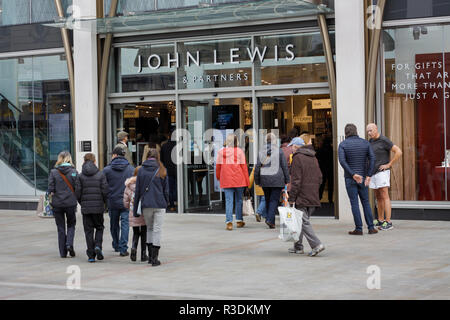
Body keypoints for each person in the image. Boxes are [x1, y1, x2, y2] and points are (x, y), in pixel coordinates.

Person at [338, 124, 378, 235]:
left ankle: (359, 229)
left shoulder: (343, 144)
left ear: (346, 133)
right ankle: (371, 227)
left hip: (350, 179)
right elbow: (373, 158)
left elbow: (342, 161)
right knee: (366, 202)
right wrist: (369, 175)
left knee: (354, 203)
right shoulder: (365, 143)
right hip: (364, 177)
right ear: (356, 131)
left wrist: (352, 174)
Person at [288, 138, 325, 256]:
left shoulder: (297, 158)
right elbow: (320, 177)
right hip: (312, 194)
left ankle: (316, 244)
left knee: (303, 222)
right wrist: (314, 189)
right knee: (301, 221)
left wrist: (292, 197)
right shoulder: (313, 157)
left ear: (297, 147)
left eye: (292, 146)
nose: (291, 149)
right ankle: (298, 246)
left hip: (301, 195)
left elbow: (296, 181)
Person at [134, 145, 169, 266]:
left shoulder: (141, 170)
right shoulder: (162, 169)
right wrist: (167, 202)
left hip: (146, 204)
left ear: (147, 157)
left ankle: (150, 257)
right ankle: (155, 258)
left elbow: (137, 190)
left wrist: (135, 210)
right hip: (159, 204)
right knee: (157, 230)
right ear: (157, 157)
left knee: (149, 228)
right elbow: (166, 190)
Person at [367, 123, 403, 231]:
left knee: (384, 195)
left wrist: (389, 164)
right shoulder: (370, 141)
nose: (369, 133)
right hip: (373, 173)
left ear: (376, 129)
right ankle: (380, 219)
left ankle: (388, 222)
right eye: (367, 131)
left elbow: (399, 152)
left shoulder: (384, 140)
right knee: (378, 196)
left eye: (370, 130)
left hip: (382, 172)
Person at [75, 153, 109, 263]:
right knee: (99, 227)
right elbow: (105, 191)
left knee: (88, 231)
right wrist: (104, 203)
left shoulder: (80, 176)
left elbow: (78, 193)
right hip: (98, 207)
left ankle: (91, 255)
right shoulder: (100, 175)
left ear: (84, 161)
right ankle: (98, 245)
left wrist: (82, 203)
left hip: (86, 208)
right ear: (94, 161)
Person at [103, 147, 135, 256]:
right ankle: (123, 248)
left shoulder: (106, 170)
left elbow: (103, 186)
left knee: (114, 224)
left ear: (115, 155)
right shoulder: (131, 169)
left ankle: (116, 244)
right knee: (125, 224)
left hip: (112, 201)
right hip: (126, 201)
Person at [254, 133, 290, 229]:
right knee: (274, 200)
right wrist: (287, 179)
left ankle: (271, 221)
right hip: (277, 179)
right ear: (275, 141)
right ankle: (270, 220)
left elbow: (257, 167)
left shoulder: (261, 152)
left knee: (268, 199)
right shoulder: (279, 151)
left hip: (265, 179)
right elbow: (284, 166)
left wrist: (257, 180)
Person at [48, 151, 78, 258]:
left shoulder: (53, 172)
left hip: (57, 204)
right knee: (71, 225)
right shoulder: (74, 172)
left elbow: (50, 189)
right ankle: (69, 243)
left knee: (60, 228)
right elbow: (77, 188)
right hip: (70, 203)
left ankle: (63, 252)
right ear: (69, 159)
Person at [216, 134, 250, 230]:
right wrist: (247, 182)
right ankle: (239, 220)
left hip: (226, 179)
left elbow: (218, 167)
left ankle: (229, 222)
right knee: (239, 200)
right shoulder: (240, 152)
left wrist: (218, 177)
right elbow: (244, 168)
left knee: (229, 201)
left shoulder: (220, 152)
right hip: (239, 179)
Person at [123, 166, 148, 262]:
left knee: (136, 232)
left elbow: (125, 200)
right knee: (144, 232)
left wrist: (128, 207)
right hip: (143, 212)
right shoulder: (145, 183)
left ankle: (134, 247)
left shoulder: (129, 184)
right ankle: (143, 254)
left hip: (133, 211)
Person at [160, 126, 177, 211]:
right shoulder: (179, 145)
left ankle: (172, 205)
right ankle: (178, 202)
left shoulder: (164, 146)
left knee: (170, 188)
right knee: (177, 187)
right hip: (178, 170)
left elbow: (161, 159)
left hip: (168, 170)